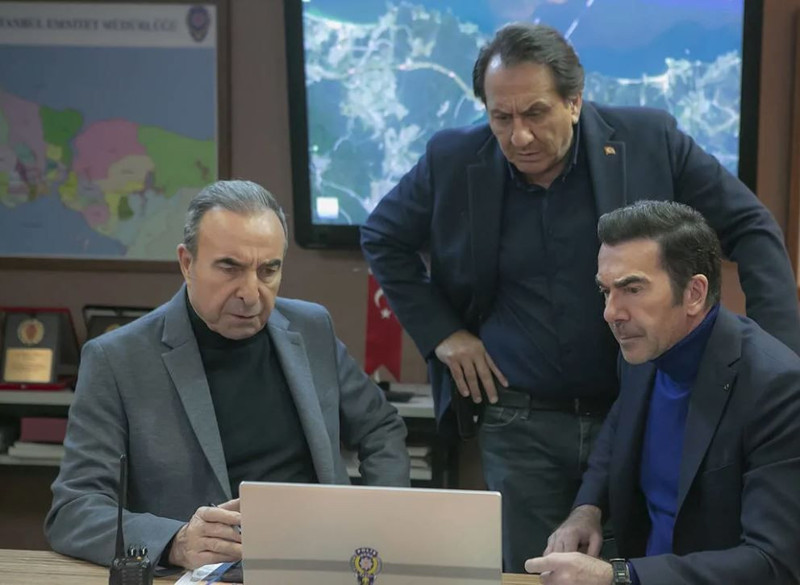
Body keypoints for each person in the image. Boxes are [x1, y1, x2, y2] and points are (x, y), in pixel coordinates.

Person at [360, 22, 800, 572]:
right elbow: (382, 235)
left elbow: (751, 227)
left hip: (636, 407)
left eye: (535, 113)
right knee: (536, 571)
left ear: (574, 101)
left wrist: (780, 364)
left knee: (640, 561)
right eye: (501, 117)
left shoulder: (649, 139)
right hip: (520, 419)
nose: (520, 136)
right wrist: (443, 333)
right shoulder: (453, 157)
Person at [46, 180, 410, 572]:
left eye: (268, 270)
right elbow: (74, 509)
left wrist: (377, 521)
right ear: (187, 263)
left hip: (321, 565)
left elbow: (381, 429)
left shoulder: (311, 328)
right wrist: (176, 542)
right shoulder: (117, 359)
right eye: (230, 268)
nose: (251, 294)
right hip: (202, 575)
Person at [525, 200, 800, 585]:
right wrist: (587, 508)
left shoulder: (778, 388)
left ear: (694, 293)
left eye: (632, 289)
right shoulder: (643, 350)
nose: (611, 312)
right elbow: (618, 429)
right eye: (606, 291)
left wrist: (620, 576)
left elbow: (772, 563)